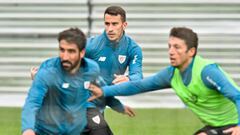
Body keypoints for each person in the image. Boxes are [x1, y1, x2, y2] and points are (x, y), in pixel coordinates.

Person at [88, 27, 240, 135]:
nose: (171, 52)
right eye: (169, 47)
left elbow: (238, 96)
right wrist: (104, 91)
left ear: (191, 51)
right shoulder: (171, 74)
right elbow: (139, 85)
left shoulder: (207, 72)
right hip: (219, 126)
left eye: (177, 47)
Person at [30, 6, 143, 135]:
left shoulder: (133, 49)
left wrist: (129, 78)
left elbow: (138, 75)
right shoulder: (93, 45)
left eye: (114, 24)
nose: (110, 28)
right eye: (107, 24)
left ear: (124, 25)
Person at [22, 27, 101, 135]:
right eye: (62, 50)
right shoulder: (47, 70)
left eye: (71, 51)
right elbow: (32, 102)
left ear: (82, 53)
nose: (65, 56)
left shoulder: (92, 68)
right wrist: (28, 129)